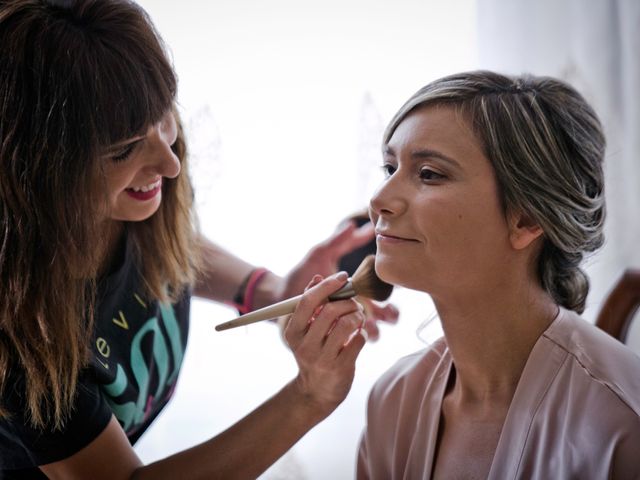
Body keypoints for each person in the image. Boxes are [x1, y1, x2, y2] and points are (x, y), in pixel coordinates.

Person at [0, 0, 398, 477]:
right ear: (38, 171)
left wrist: (268, 292)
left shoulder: (131, 188)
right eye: (124, 149)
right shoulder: (19, 341)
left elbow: (172, 244)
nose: (168, 164)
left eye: (163, 116)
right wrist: (309, 397)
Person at [357, 70, 640, 479]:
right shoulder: (393, 400)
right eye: (389, 168)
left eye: (429, 174)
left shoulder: (621, 424)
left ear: (525, 218)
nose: (379, 200)